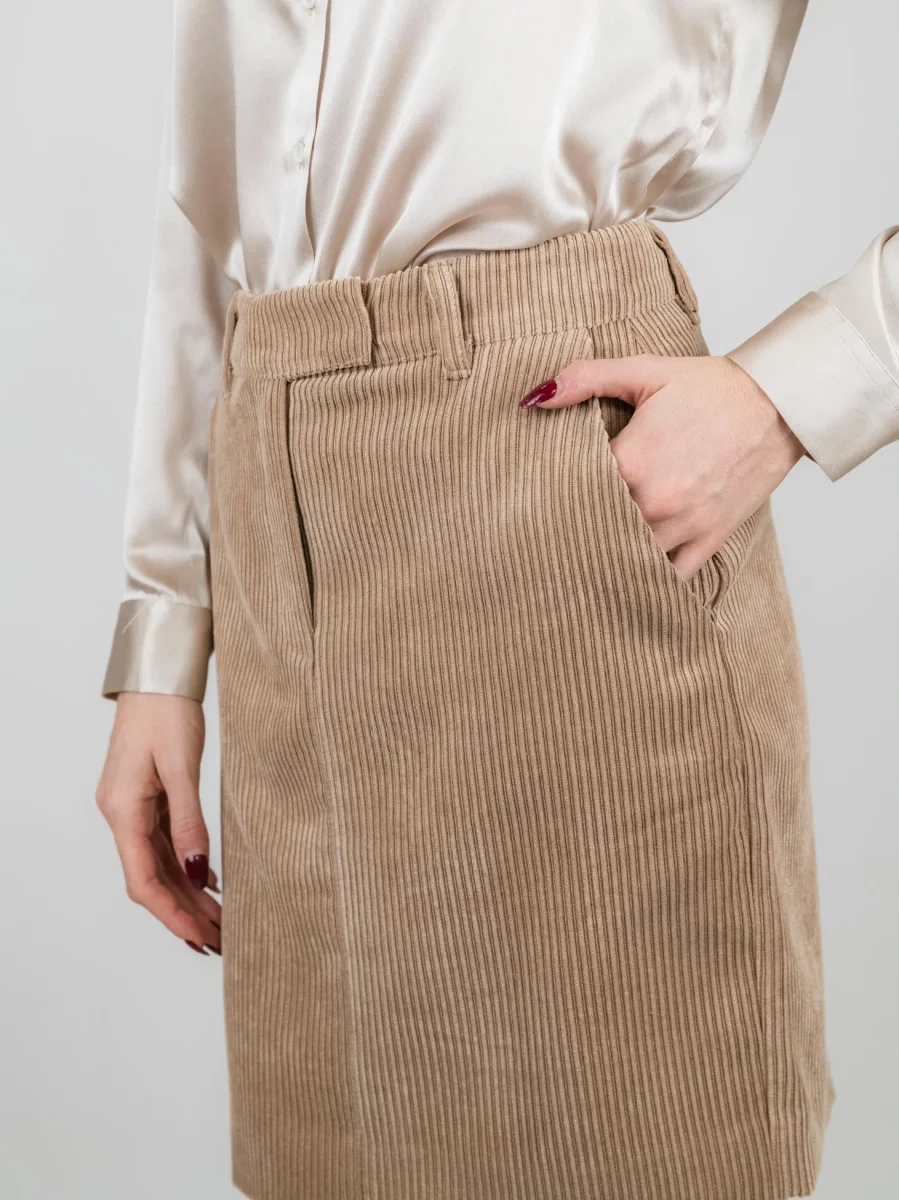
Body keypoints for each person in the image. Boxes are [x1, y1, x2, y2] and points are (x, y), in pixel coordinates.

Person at [94, 3, 898, 1199]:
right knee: (337, 1163)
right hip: (273, 510)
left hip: (543, 438)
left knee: (637, 1149)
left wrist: (811, 378)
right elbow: (209, 204)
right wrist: (166, 622)